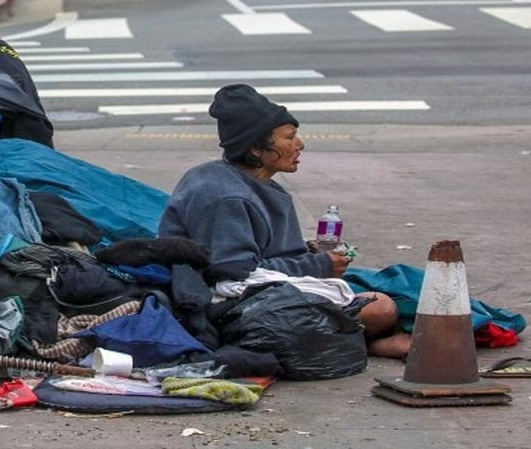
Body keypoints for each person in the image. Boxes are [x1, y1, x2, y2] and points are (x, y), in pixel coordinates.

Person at [158, 83, 411, 358]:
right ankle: (367, 342)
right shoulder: (224, 196)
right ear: (256, 149)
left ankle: (360, 339)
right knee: (381, 308)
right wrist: (318, 265)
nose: (299, 144)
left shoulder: (258, 185)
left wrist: (313, 252)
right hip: (227, 306)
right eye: (289, 138)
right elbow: (235, 272)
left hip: (262, 291)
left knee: (390, 293)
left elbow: (262, 251)